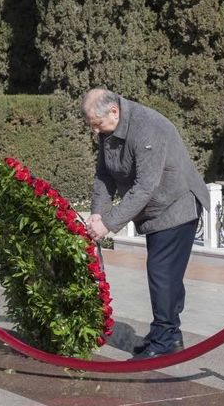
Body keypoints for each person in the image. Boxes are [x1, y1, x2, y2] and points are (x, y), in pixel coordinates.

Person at [81, 88, 210, 360]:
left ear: (113, 111)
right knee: (164, 274)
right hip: (155, 211)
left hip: (177, 205)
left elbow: (145, 187)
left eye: (97, 124)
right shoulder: (110, 131)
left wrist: (109, 224)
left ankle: (165, 338)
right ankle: (168, 334)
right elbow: (104, 175)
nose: (95, 132)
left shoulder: (147, 126)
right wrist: (97, 213)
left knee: (162, 273)